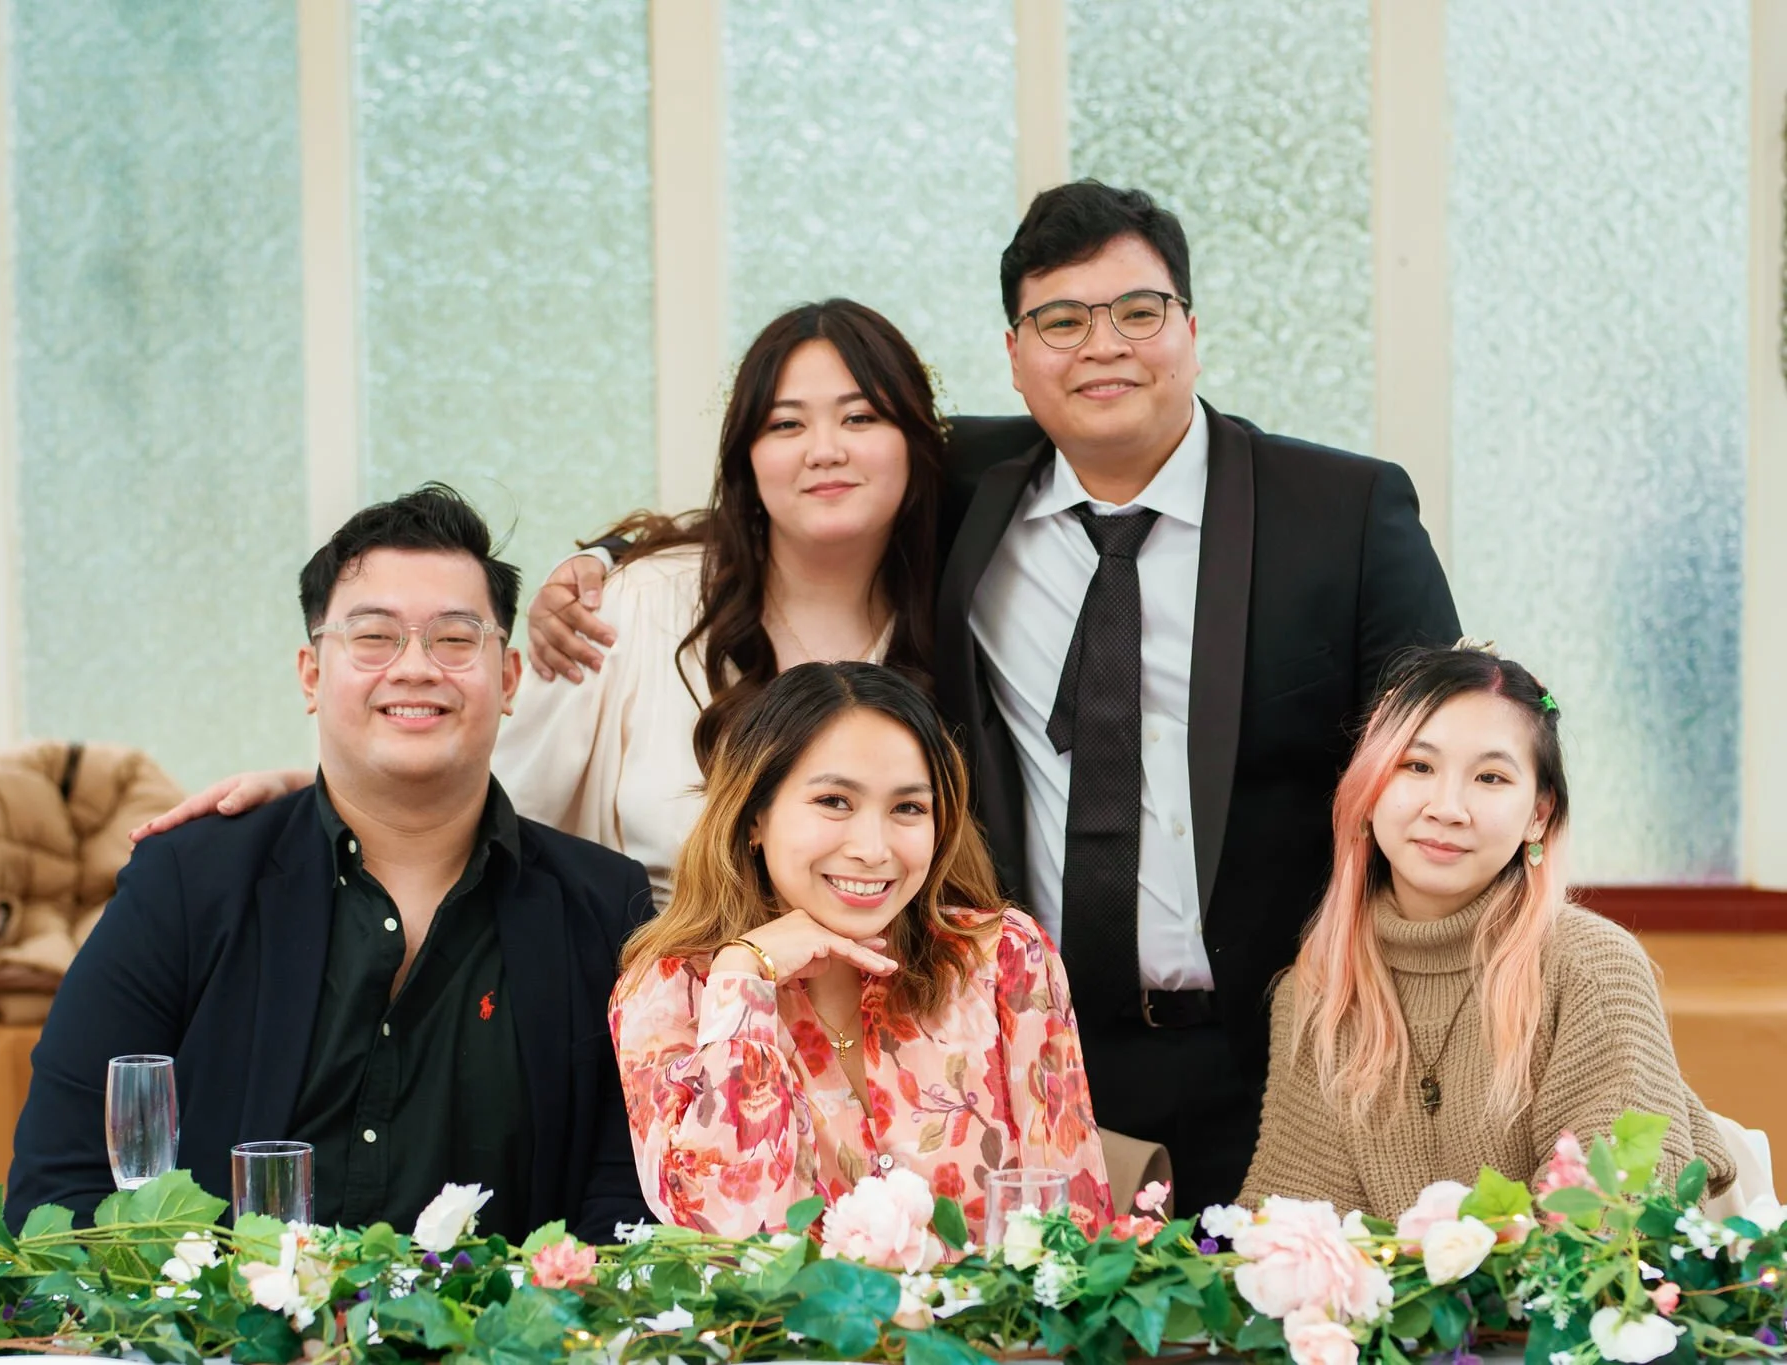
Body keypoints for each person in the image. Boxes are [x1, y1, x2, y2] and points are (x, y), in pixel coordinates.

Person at [529, 181, 1462, 1212]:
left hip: (1271, 1052)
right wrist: (604, 557)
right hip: (1010, 1046)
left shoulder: (1341, 513)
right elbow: (796, 493)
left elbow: (1442, 760)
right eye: (1059, 321)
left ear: (1189, 329)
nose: (1100, 347)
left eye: (1137, 312)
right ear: (1015, 357)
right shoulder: (976, 488)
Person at [131, 299, 948, 907]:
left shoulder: (968, 609)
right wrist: (325, 798)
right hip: (655, 1044)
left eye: (861, 416)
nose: (826, 451)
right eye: (785, 424)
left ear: (916, 435)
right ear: (746, 455)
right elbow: (487, 798)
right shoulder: (632, 607)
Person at [6, 485, 655, 1241]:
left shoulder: (602, 908)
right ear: (312, 674)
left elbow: (627, 1200)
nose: (415, 668)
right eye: (374, 637)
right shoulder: (188, 884)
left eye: (454, 638)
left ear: (508, 679)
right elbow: (66, 1180)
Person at [610, 661, 1112, 1238]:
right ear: (754, 817)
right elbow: (731, 1231)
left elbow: (1072, 1229)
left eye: (908, 808)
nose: (874, 849)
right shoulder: (668, 990)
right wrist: (744, 976)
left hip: (991, 1328)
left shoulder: (1003, 957)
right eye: (835, 801)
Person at [1237, 643, 1734, 1216]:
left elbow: (1619, 1215)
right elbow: (1292, 1222)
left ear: (1538, 814)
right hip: (1385, 1308)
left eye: (1491, 778)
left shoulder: (1590, 967)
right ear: (1369, 788)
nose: (1447, 808)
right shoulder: (1320, 988)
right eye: (1417, 766)